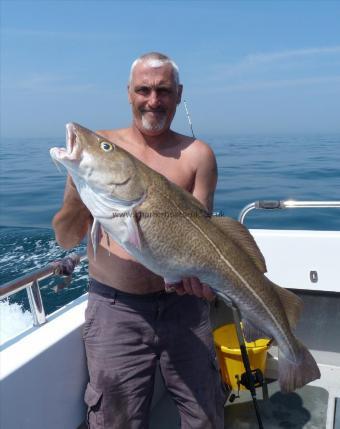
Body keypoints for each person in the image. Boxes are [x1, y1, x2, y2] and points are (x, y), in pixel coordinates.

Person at [53, 52, 226, 429]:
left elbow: (200, 236)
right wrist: (76, 186)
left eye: (162, 90)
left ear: (178, 94)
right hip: (116, 310)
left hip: (184, 309)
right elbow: (67, 238)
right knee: (117, 421)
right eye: (143, 90)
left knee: (206, 417)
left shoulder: (198, 156)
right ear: (128, 93)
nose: (153, 100)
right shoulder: (101, 150)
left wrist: (205, 286)